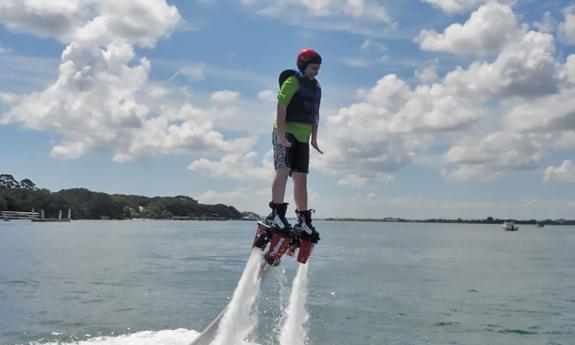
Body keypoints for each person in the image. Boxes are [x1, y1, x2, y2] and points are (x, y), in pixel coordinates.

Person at [265, 49, 322, 243]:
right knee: (283, 171)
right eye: (314, 68)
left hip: (303, 137)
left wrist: (314, 138)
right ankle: (277, 214)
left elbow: (315, 115)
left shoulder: (316, 87)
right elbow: (281, 107)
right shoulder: (292, 82)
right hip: (285, 132)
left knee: (301, 178)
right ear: (303, 65)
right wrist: (280, 134)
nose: (316, 71)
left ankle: (303, 220)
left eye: (318, 68)